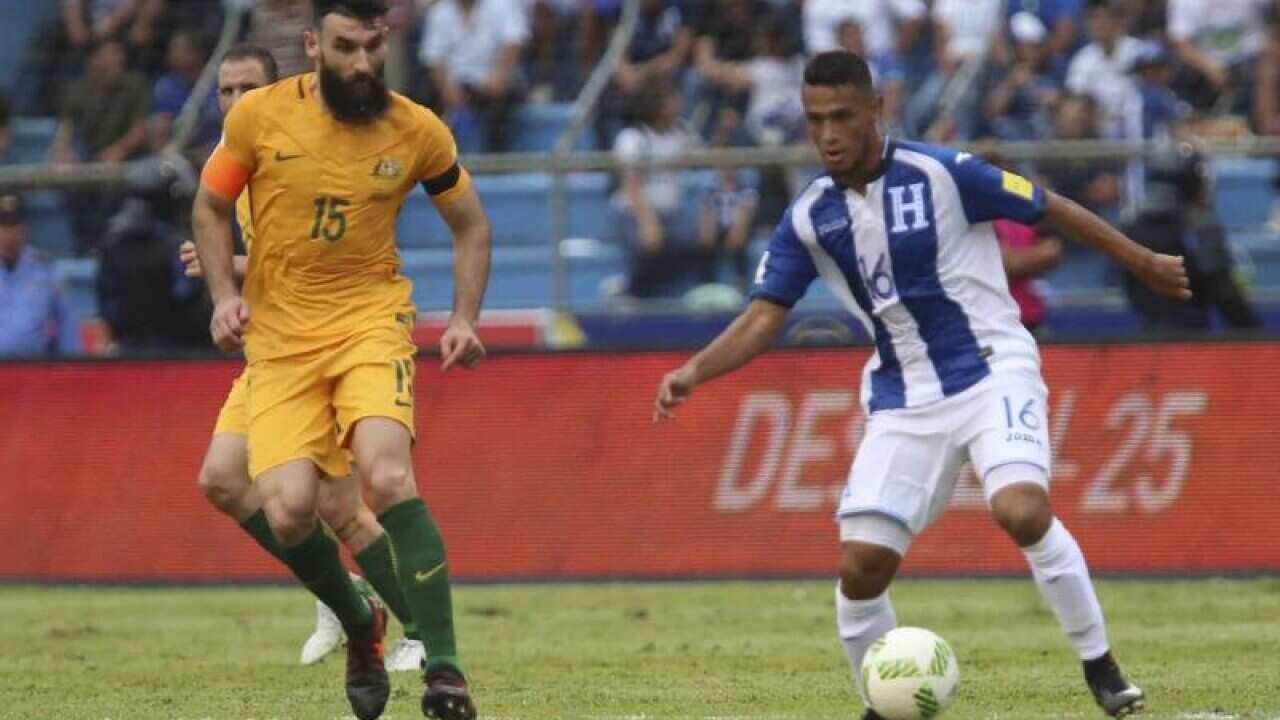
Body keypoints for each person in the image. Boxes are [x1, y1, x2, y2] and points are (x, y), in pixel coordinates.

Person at [654, 51, 1187, 719]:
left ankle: (1101, 665)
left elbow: (1052, 208)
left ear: (875, 112)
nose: (828, 134)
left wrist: (1140, 262)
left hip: (993, 369)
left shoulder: (945, 173)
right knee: (860, 567)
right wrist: (694, 371)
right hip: (904, 398)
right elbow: (765, 314)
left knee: (1020, 509)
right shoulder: (809, 216)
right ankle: (882, 706)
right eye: (816, 120)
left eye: (843, 117)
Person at [191, 1, 491, 718]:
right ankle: (363, 624)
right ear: (312, 46)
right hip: (282, 341)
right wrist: (223, 295)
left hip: (369, 323)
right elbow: (207, 208)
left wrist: (465, 318)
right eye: (345, 47)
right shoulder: (260, 120)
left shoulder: (415, 128)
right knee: (291, 512)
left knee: (386, 475)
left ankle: (446, 671)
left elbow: (470, 225)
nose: (360, 64)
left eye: (371, 47)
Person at [179, 42, 429, 674]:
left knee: (340, 506)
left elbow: (332, 252)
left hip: (334, 342)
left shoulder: (311, 146)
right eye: (225, 91)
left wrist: (238, 272)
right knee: (222, 479)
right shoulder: (231, 158)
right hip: (272, 347)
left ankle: (423, 633)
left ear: (282, 91)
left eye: (247, 89)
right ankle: (348, 599)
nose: (235, 102)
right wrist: (227, 277)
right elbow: (277, 254)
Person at [1121, 143, 1261, 332]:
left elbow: (1128, 286)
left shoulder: (1131, 227)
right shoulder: (1199, 227)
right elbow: (1224, 292)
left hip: (1148, 340)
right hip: (1192, 343)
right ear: (1189, 181)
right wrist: (1254, 334)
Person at [0, 195, 71, 357]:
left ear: (25, 228)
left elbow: (66, 325)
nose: (8, 234)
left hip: (34, 371)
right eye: (3, 226)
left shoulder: (47, 270)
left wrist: (70, 371)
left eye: (13, 226)